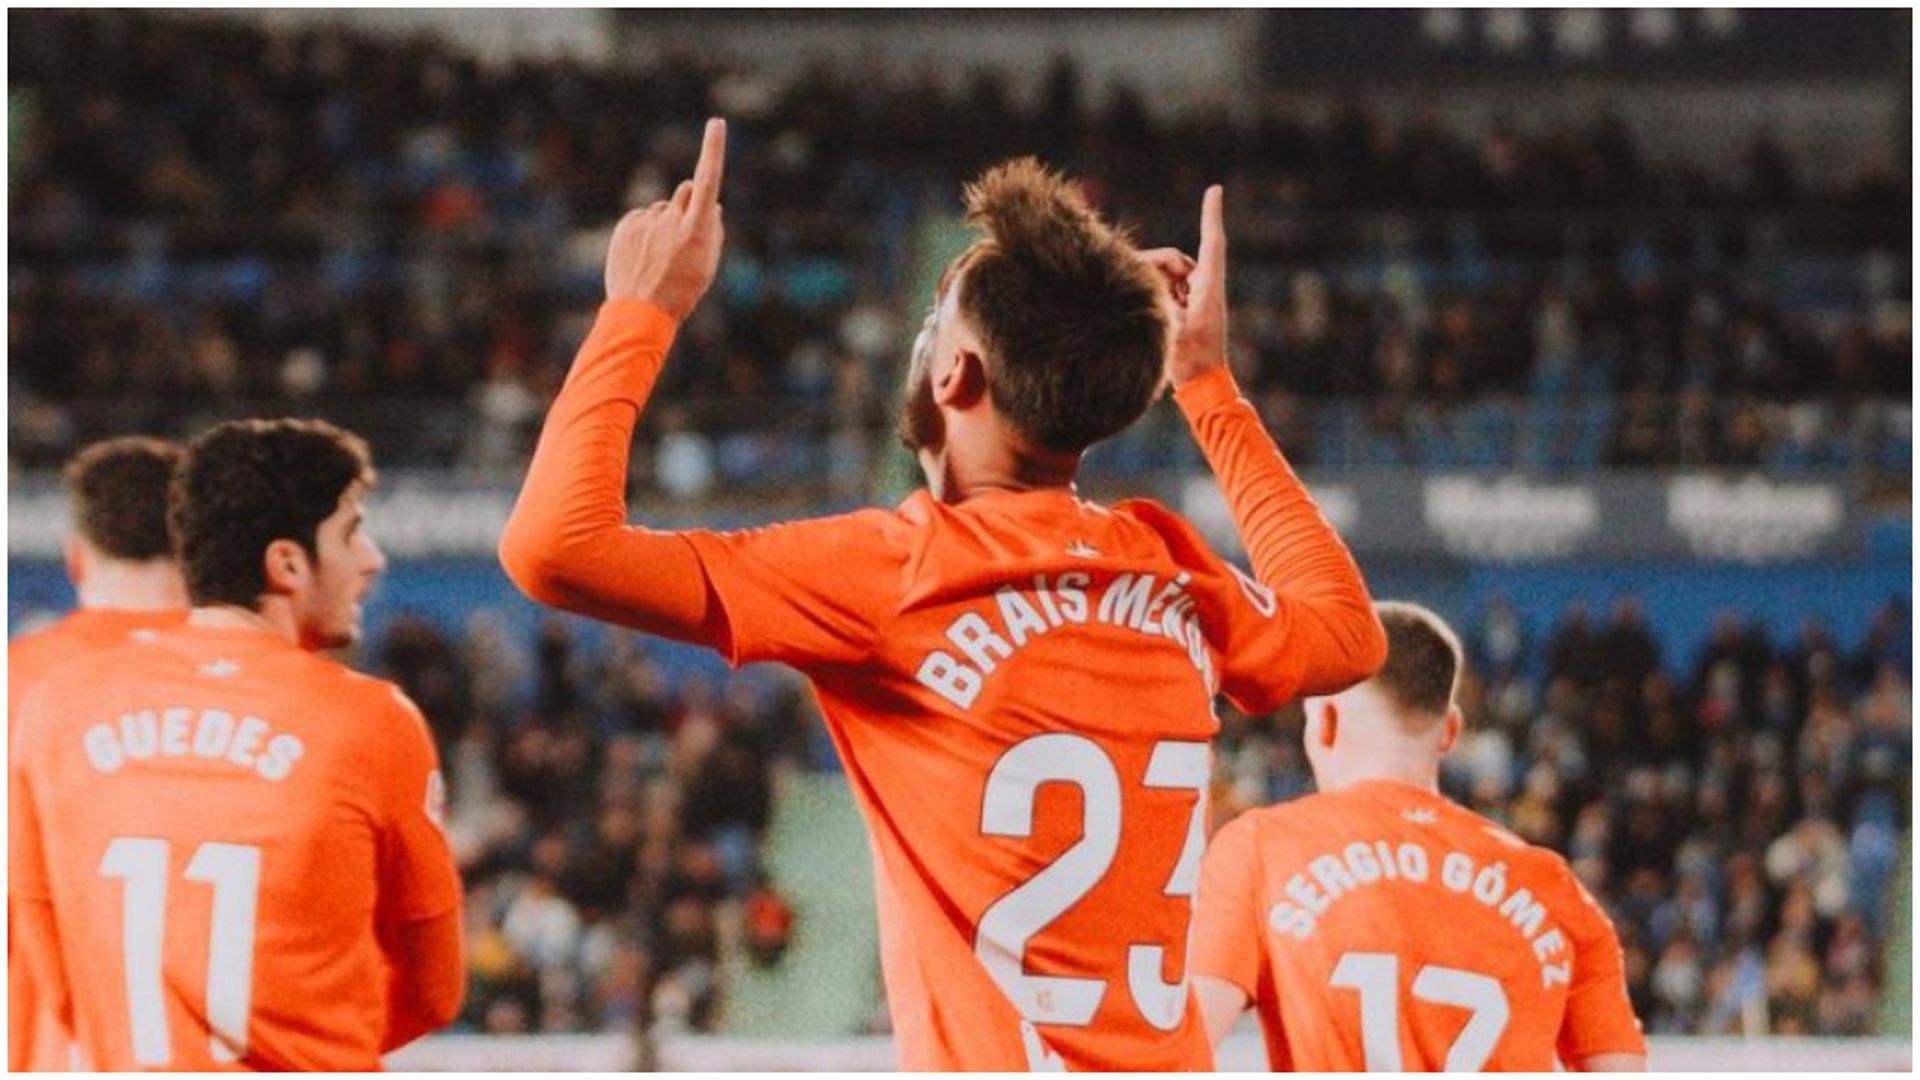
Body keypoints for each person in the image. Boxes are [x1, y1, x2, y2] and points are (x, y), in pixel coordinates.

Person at [500, 118, 1384, 1070]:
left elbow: (555, 546)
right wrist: (1209, 387)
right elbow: (1348, 634)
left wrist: (640, 311)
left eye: (939, 318)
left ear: (955, 373)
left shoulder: (892, 572)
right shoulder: (1166, 568)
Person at [9, 419, 464, 1070]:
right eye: (351, 532)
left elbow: (52, 970)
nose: (372, 558)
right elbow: (433, 990)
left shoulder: (51, 700)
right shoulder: (368, 720)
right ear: (286, 563)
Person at [1191, 602, 1647, 1071]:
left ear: (1325, 722)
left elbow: (1181, 1046)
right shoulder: (1552, 886)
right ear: (1449, 732)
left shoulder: (1262, 850)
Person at [9, 436, 189, 1072]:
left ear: (75, 557)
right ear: (194, 548)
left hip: (55, 1048)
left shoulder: (15, 682)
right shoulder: (273, 683)